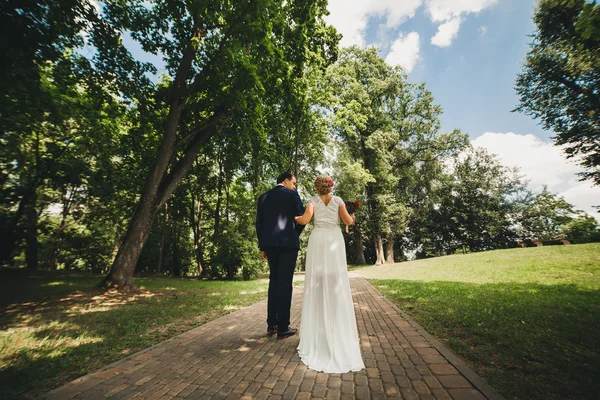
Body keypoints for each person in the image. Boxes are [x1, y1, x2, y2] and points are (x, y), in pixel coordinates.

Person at [294, 175, 365, 373]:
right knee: (335, 278)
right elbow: (348, 220)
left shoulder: (313, 202)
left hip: (318, 240)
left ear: (317, 187)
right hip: (333, 237)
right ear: (330, 186)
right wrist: (353, 218)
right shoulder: (339, 201)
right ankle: (333, 314)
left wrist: (296, 218)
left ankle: (319, 326)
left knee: (317, 278)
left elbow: (305, 220)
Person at [255, 172, 305, 338]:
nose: (294, 186)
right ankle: (283, 327)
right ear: (286, 180)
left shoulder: (263, 197)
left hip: (269, 244)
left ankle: (272, 324)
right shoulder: (292, 195)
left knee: (274, 281)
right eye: (294, 183)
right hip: (287, 244)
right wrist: (293, 233)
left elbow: (259, 224)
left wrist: (263, 246)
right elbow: (302, 217)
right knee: (285, 282)